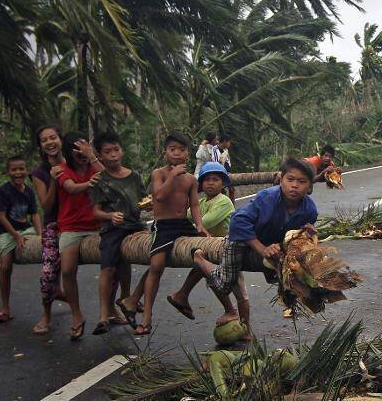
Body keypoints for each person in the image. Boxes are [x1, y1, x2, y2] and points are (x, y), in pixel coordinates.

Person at [191, 158, 318, 332]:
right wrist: (261, 249)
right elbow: (238, 221)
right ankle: (200, 260)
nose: (294, 185)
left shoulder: (310, 210)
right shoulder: (267, 198)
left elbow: (293, 236)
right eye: (290, 180)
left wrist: (306, 234)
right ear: (281, 180)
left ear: (310, 187)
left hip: (268, 241)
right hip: (240, 239)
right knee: (224, 285)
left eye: (302, 182)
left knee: (284, 274)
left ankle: (245, 329)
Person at [118, 132, 209, 336]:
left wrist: (200, 225)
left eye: (182, 150)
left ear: (188, 154)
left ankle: (182, 295)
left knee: (206, 254)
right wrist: (172, 175)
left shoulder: (191, 180)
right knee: (157, 266)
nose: (177, 153)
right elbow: (158, 196)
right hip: (164, 225)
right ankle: (147, 318)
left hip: (182, 224)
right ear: (165, 152)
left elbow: (194, 205)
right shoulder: (158, 173)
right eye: (172, 149)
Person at [167, 162, 250, 335]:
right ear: (201, 184)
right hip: (212, 251)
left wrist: (190, 223)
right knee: (211, 278)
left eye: (215, 179)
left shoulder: (224, 202)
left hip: (229, 250)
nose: (211, 183)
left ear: (223, 184)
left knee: (240, 293)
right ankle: (226, 310)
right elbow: (185, 215)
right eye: (207, 180)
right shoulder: (201, 202)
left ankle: (246, 328)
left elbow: (204, 223)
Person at [90, 132, 148, 335]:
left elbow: (143, 201)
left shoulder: (134, 176)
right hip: (112, 229)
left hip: (134, 225)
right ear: (100, 155)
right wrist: (110, 215)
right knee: (107, 268)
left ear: (122, 150)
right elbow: (96, 211)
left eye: (116, 150)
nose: (113, 155)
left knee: (129, 260)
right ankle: (103, 315)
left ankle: (126, 297)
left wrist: (148, 204)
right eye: (108, 152)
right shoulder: (100, 180)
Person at [56, 132, 105, 340]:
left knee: (116, 263)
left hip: (97, 225)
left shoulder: (96, 165)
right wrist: (89, 184)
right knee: (67, 271)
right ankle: (77, 315)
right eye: (78, 151)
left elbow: (112, 179)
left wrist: (93, 158)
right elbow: (71, 188)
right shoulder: (61, 171)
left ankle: (110, 309)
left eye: (85, 149)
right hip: (71, 227)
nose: (82, 154)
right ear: (69, 152)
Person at [0, 156, 42, 324]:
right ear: (8, 172)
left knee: (48, 251)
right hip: (8, 232)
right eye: (14, 170)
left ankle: (57, 291)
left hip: (26, 229)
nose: (18, 173)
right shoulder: (2, 191)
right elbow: (1, 217)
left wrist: (40, 234)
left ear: (26, 170)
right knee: (5, 267)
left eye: (21, 169)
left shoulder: (28, 191)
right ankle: (5, 308)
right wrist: (16, 236)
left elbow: (34, 214)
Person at [31, 125, 67, 335]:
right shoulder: (39, 173)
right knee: (47, 275)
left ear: (60, 139)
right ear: (41, 147)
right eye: (44, 140)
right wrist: (54, 180)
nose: (50, 142)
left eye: (53, 137)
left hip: (77, 224)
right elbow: (45, 205)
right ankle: (46, 314)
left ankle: (110, 311)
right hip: (54, 225)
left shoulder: (73, 163)